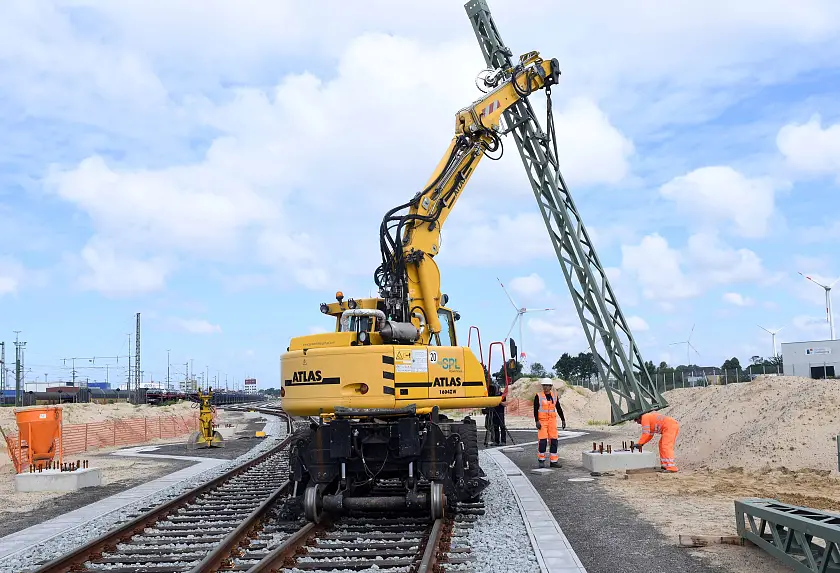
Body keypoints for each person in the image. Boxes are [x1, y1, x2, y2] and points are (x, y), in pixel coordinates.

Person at [533, 378, 565, 468]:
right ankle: (541, 460)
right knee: (542, 441)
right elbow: (535, 409)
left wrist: (563, 419)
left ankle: (553, 461)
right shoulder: (538, 396)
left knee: (554, 440)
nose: (545, 387)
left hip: (552, 421)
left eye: (547, 385)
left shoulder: (554, 396)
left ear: (551, 387)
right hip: (542, 421)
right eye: (544, 385)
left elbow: (558, 408)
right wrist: (536, 421)